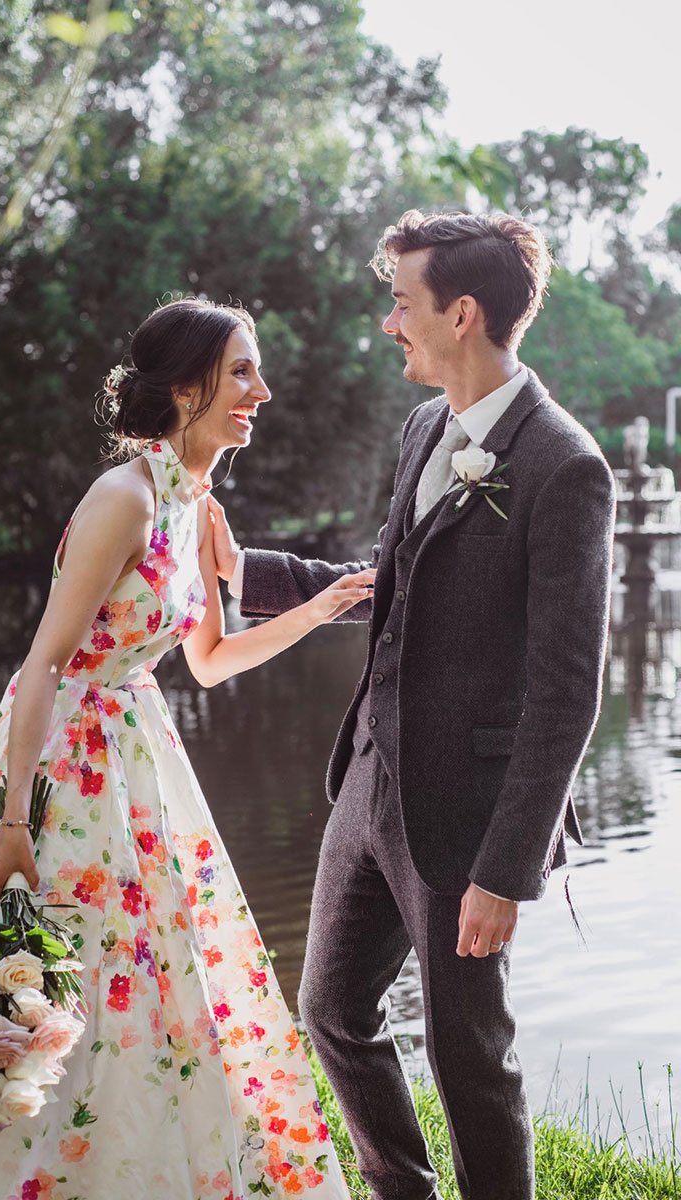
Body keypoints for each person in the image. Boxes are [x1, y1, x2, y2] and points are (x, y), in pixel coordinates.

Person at [0, 299, 370, 1198]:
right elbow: (41, 667)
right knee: (48, 978)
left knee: (155, 985)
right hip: (63, 770)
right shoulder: (125, 498)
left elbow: (211, 663)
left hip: (143, 769)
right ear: (185, 387)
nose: (262, 390)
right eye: (242, 373)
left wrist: (317, 608)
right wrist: (14, 819)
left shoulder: (199, 507)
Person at [207, 211, 617, 1200]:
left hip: (469, 817)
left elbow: (566, 692)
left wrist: (504, 869)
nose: (389, 323)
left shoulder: (564, 467)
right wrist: (251, 569)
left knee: (467, 1058)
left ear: (460, 313)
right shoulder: (426, 424)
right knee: (333, 1011)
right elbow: (392, 584)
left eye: (401, 303)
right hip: (367, 780)